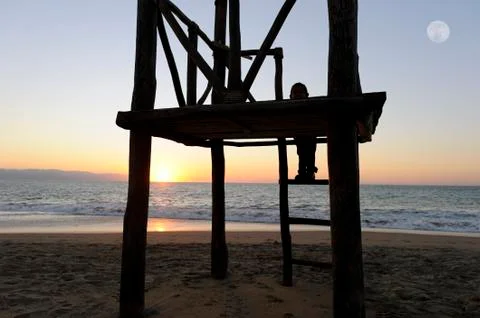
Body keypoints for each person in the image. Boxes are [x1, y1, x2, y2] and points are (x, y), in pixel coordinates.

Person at [290, 82, 318, 181]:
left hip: (310, 134)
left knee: (309, 152)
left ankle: (310, 172)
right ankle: (302, 172)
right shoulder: (289, 108)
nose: (298, 94)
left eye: (300, 92)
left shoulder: (311, 106)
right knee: (301, 154)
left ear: (307, 95)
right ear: (290, 97)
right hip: (299, 134)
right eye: (295, 92)